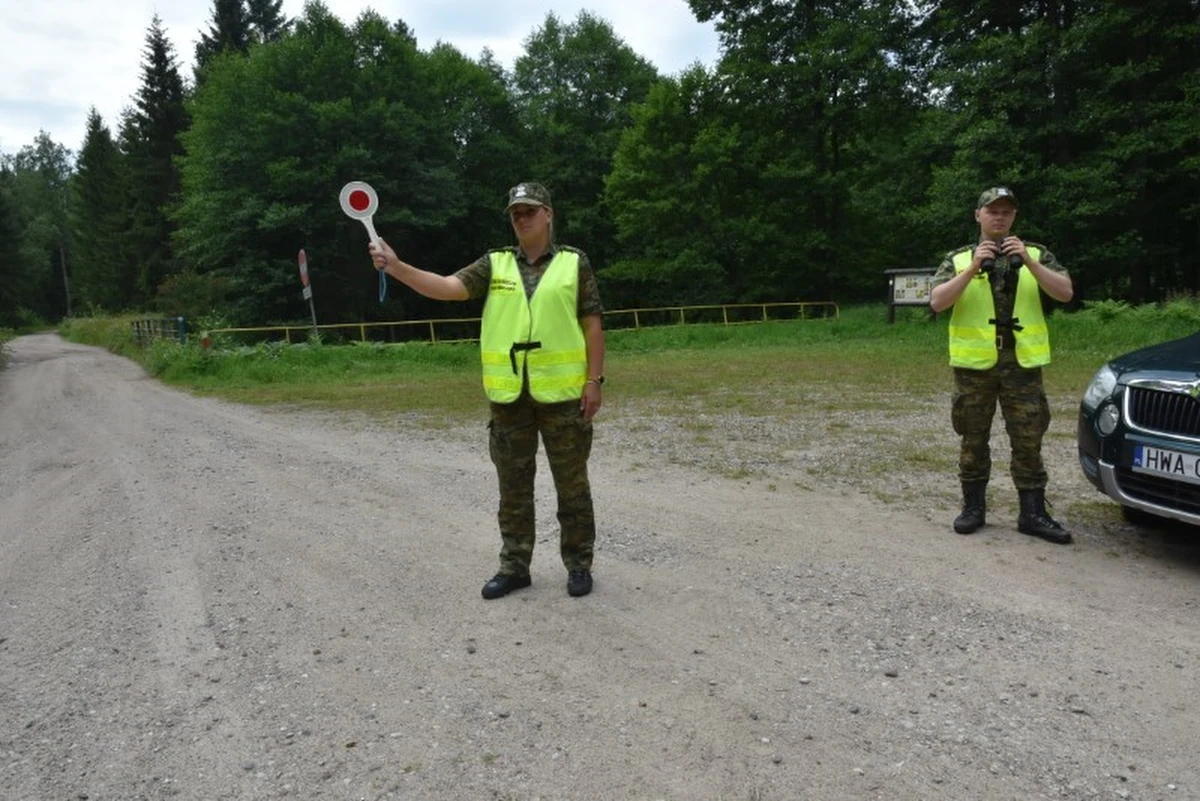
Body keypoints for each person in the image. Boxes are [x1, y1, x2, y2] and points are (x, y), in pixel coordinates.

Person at [369, 181, 606, 598]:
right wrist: (397, 266)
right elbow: (446, 287)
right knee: (513, 488)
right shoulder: (494, 264)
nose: (521, 218)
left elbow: (592, 324)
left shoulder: (574, 262)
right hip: (509, 397)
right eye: (515, 213)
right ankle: (515, 566)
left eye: (529, 211)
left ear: (548, 214)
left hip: (564, 395)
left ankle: (579, 565)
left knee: (572, 486)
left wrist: (594, 381)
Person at [928, 187, 1074, 545]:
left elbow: (1065, 293)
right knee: (972, 439)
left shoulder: (1036, 253)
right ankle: (973, 509)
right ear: (977, 215)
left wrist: (1031, 262)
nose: (999, 217)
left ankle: (1033, 514)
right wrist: (975, 266)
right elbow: (937, 302)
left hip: (1021, 365)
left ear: (1014, 217)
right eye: (992, 211)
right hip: (974, 367)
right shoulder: (959, 258)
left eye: (1006, 212)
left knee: (1028, 439)